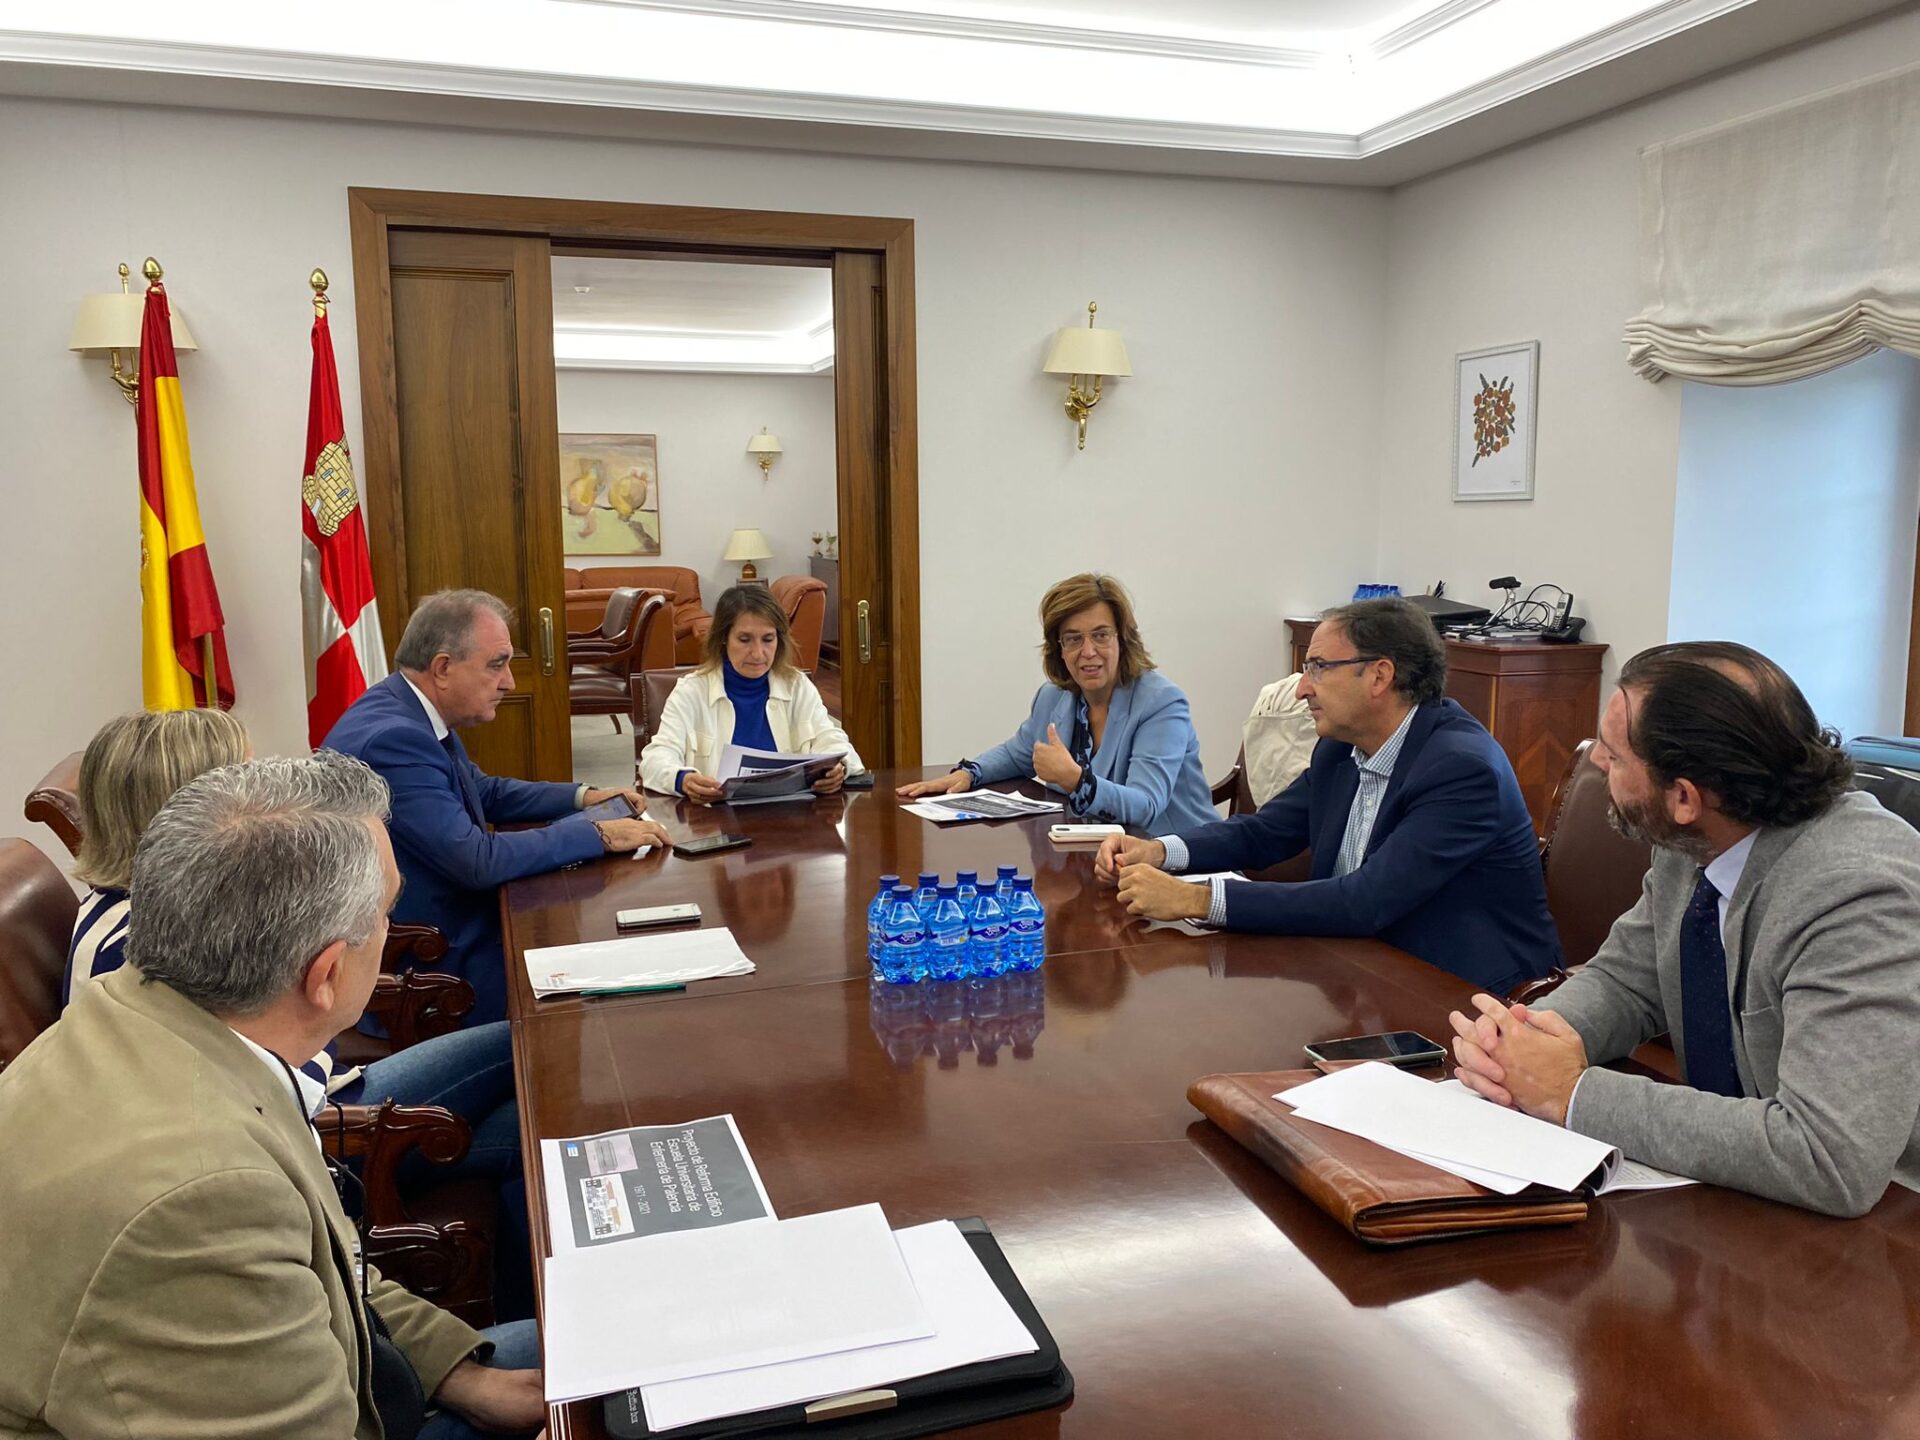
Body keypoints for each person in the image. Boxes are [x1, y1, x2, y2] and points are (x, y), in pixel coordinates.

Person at [0, 752, 546, 1440]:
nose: (389, 929)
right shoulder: (205, 1196)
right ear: (326, 974)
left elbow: (332, 1264)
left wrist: (460, 1374)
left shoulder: (146, 1012)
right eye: (386, 913)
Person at [1448, 641, 1920, 1217]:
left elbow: (1827, 1157)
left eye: (1614, 754)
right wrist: (1525, 1044)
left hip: (1885, 1227)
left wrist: (1569, 1092)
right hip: (1732, 1195)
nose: (1597, 762)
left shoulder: (1860, 893)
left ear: (1684, 797)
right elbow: (1627, 980)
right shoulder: (1697, 839)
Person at [65, 710, 524, 1216]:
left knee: (525, 1083)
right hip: (313, 1130)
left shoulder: (117, 908)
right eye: (246, 778)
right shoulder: (143, 944)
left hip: (313, 1090)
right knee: (526, 1065)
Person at [1098, 597, 1559, 994]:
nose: (1302, 689)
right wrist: (1160, 851)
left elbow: (1365, 902)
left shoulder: (1461, 770)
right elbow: (1265, 832)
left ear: (1379, 676)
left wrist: (1197, 900)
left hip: (1467, 995)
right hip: (1360, 969)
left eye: (1318, 667)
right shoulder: (1340, 749)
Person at [325, 588, 669, 1024]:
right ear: (443, 668)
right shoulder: (395, 739)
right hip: (432, 967)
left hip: (449, 927)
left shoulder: (406, 707)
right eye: (497, 664)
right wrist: (597, 834)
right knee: (606, 984)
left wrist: (582, 796)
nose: (509, 681)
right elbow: (477, 861)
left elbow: (482, 790)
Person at [897, 573, 1214, 833]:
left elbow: (1145, 806)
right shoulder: (1054, 696)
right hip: (1095, 857)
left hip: (1180, 862)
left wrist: (1076, 780)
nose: (1088, 651)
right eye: (1074, 639)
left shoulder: (1161, 703)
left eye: (1101, 635)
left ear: (1123, 639)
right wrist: (970, 774)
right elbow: (1019, 753)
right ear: (1059, 649)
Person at [641, 583, 863, 800]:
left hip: (793, 817)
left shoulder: (797, 686)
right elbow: (655, 759)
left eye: (768, 639)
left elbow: (833, 741)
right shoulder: (691, 691)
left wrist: (839, 768)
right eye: (744, 640)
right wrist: (683, 779)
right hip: (715, 819)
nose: (758, 653)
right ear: (723, 639)